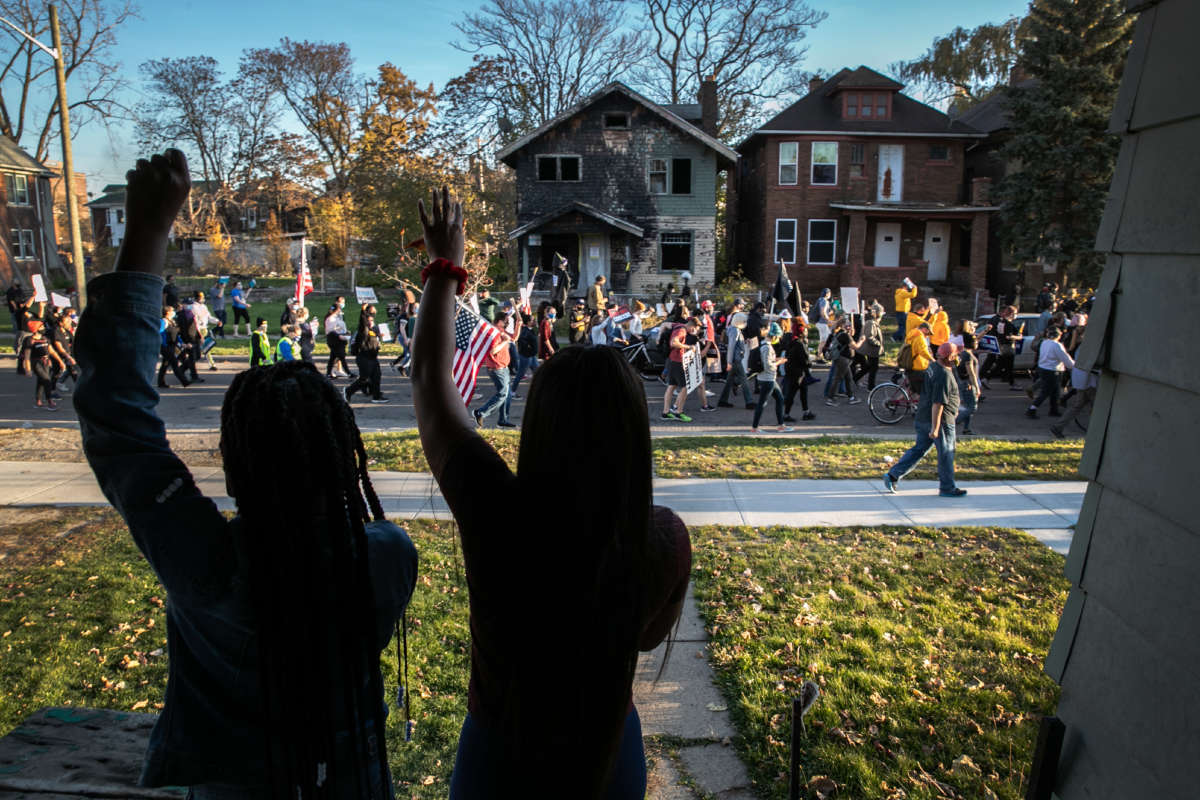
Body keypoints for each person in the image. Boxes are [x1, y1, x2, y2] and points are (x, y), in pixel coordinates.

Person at [71, 150, 418, 798]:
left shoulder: (205, 566)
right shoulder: (385, 560)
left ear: (232, 473)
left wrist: (148, 231)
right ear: (346, 462)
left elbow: (118, 420)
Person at [410, 187, 691, 799]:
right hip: (608, 754)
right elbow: (645, 636)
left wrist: (445, 266)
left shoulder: (496, 512)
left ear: (540, 427)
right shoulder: (663, 538)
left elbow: (431, 380)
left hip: (499, 758)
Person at [884, 342, 967, 497]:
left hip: (923, 416)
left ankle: (893, 475)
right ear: (950, 357)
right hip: (939, 421)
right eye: (956, 355)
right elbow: (938, 403)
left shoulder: (933, 367)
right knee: (946, 454)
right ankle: (947, 488)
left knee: (919, 449)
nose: (958, 358)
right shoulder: (944, 375)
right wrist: (935, 429)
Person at [472, 318, 516, 428]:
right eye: (504, 321)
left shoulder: (502, 332)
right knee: (502, 394)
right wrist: (505, 341)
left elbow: (514, 337)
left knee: (508, 395)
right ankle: (480, 413)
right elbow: (493, 351)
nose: (506, 323)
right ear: (498, 321)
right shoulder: (494, 334)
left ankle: (502, 419)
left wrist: (519, 323)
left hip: (504, 368)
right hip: (497, 369)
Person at [751, 324, 793, 433]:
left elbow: (767, 361)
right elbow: (768, 366)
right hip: (767, 379)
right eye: (778, 337)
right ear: (774, 336)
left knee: (780, 399)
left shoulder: (763, 345)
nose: (778, 339)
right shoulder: (768, 348)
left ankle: (781, 425)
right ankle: (755, 427)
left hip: (766, 378)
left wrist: (776, 359)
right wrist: (779, 362)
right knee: (762, 403)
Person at [1026, 326, 1073, 419]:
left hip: (1043, 368)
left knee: (1055, 391)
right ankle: (1032, 409)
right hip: (1053, 370)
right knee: (1046, 391)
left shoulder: (1044, 342)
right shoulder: (1057, 345)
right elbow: (1065, 358)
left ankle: (1054, 410)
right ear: (1058, 336)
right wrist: (1072, 365)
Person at [346, 306, 388, 403]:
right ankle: (348, 391)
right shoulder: (363, 330)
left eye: (372, 320)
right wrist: (363, 310)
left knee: (377, 376)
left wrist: (379, 336)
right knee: (364, 379)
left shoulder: (372, 331)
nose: (371, 322)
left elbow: (372, 339)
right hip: (364, 357)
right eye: (369, 320)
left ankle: (376, 396)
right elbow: (362, 322)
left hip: (373, 357)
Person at [20, 319, 64, 410]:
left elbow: (52, 351)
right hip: (36, 363)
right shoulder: (30, 340)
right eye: (41, 327)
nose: (43, 328)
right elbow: (27, 356)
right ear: (35, 329)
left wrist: (60, 361)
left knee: (41, 382)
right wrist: (28, 369)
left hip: (46, 363)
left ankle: (38, 401)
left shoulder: (45, 339)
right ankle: (50, 401)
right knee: (47, 380)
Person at [661, 317, 699, 422]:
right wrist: (688, 347)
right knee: (685, 387)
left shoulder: (677, 325)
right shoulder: (682, 330)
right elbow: (673, 343)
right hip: (678, 361)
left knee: (671, 386)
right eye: (694, 329)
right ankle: (679, 412)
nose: (694, 331)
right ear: (691, 326)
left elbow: (664, 324)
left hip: (672, 360)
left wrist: (658, 337)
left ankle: (666, 412)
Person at [716, 312, 755, 409]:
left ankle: (723, 400)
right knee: (744, 380)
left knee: (729, 381)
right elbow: (731, 347)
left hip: (733, 359)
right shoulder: (735, 330)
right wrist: (729, 362)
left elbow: (732, 345)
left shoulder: (732, 329)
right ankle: (749, 402)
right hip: (735, 360)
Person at [979, 305, 1023, 390]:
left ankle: (987, 378)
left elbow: (1001, 334)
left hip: (1002, 346)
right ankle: (1012, 383)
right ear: (1011, 314)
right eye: (1015, 313)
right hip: (1008, 347)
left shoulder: (1001, 322)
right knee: (1007, 366)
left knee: (1001, 365)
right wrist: (1019, 337)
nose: (1016, 315)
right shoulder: (1009, 324)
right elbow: (1008, 336)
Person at [779, 322, 815, 422]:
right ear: (801, 332)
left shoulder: (793, 342)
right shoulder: (799, 344)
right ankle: (786, 414)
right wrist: (809, 364)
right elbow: (804, 359)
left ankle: (806, 412)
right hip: (798, 372)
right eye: (805, 330)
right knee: (792, 393)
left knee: (803, 391)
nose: (807, 332)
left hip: (793, 370)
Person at [823, 316, 861, 407]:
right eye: (848, 325)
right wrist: (862, 340)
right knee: (837, 379)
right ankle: (830, 398)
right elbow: (855, 347)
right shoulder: (844, 335)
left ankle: (851, 397)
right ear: (843, 325)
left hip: (841, 359)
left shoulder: (839, 333)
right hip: (843, 359)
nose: (850, 326)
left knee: (848, 378)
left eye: (850, 325)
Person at [954, 321, 982, 435]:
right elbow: (971, 373)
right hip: (968, 384)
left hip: (963, 383)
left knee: (967, 407)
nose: (977, 343)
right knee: (972, 407)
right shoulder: (968, 356)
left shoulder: (963, 353)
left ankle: (967, 428)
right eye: (975, 341)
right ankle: (953, 423)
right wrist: (977, 387)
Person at [852, 304, 883, 390]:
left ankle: (855, 378)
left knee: (869, 367)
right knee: (873, 368)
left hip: (870, 349)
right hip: (871, 349)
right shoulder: (871, 323)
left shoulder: (871, 322)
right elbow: (869, 336)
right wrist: (878, 343)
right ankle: (871, 386)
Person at [324, 299, 354, 378]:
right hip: (335, 340)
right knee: (341, 356)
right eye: (339, 309)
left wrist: (346, 332)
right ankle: (348, 372)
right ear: (337, 309)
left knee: (333, 357)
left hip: (340, 339)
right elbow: (330, 331)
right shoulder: (331, 318)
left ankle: (328, 373)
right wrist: (338, 336)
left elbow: (340, 327)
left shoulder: (337, 318)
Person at [904, 321, 934, 399]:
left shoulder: (912, 334)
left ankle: (893, 402)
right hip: (917, 367)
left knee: (912, 389)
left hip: (910, 365)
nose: (927, 336)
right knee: (922, 391)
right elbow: (923, 351)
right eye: (928, 333)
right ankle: (921, 408)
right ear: (924, 329)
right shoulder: (920, 337)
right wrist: (932, 360)